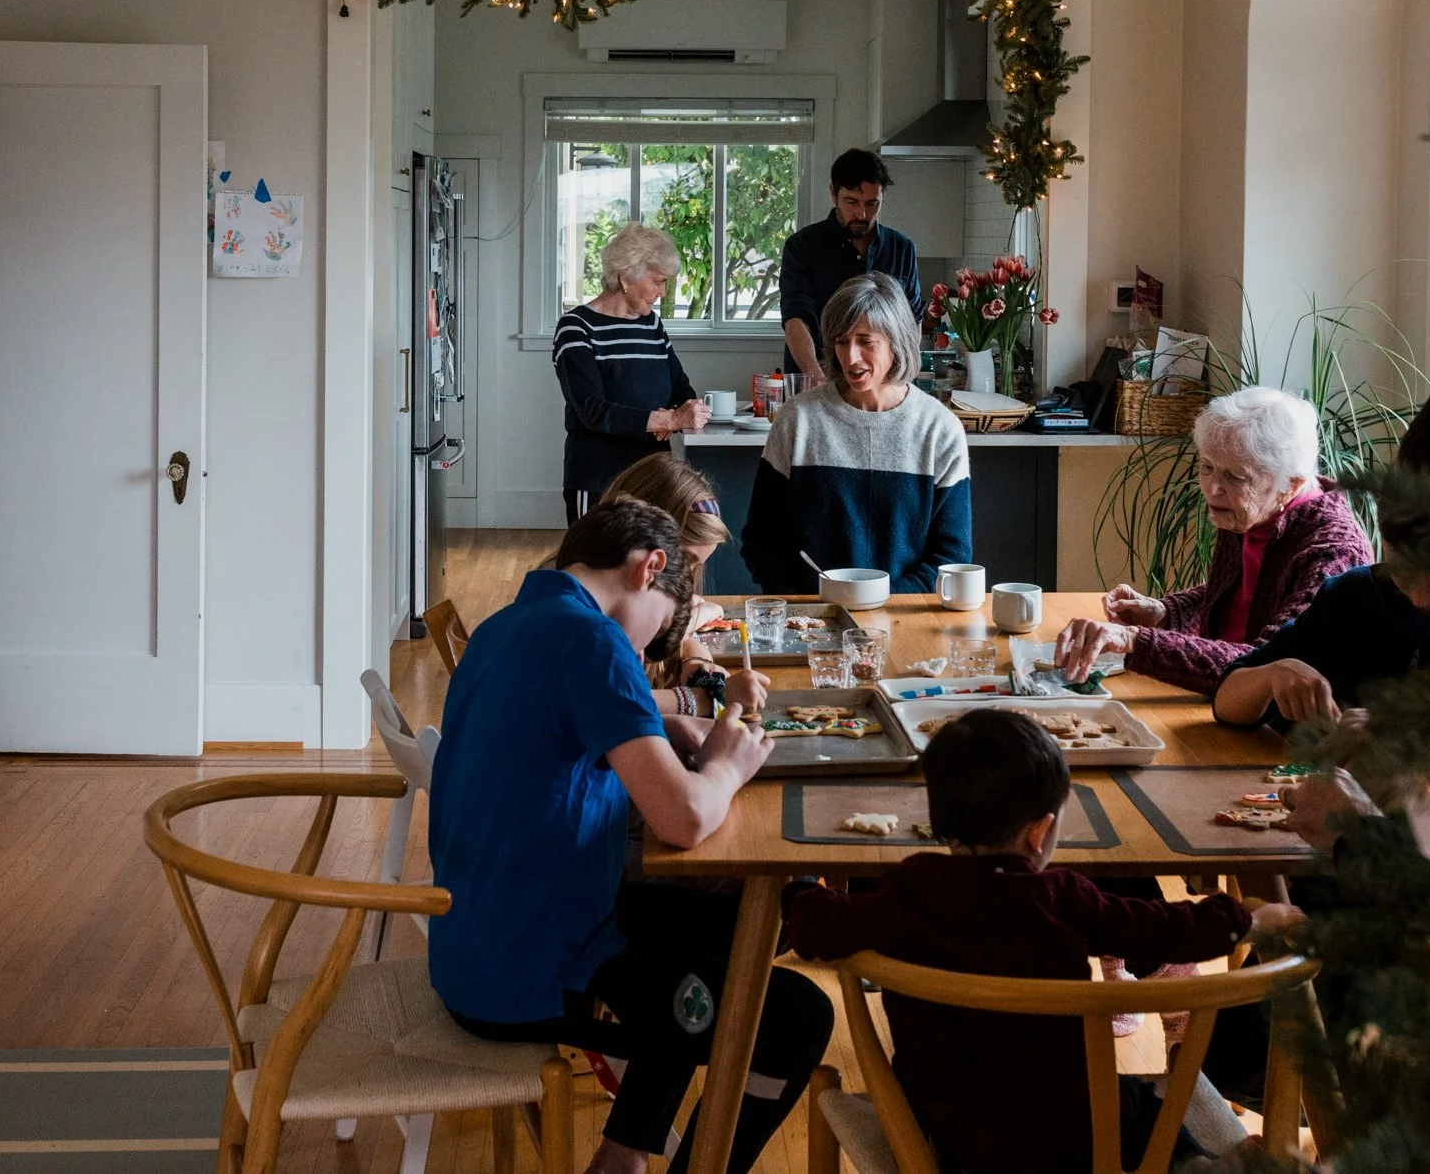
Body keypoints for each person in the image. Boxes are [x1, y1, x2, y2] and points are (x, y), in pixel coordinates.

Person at [430, 500, 833, 1174]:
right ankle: (650, 1160)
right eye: (659, 630)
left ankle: (623, 1153)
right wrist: (729, 766)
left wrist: (658, 726)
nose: (649, 648)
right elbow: (683, 818)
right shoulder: (596, 642)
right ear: (651, 566)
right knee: (796, 1016)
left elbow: (562, 734)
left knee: (743, 925)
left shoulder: (508, 624)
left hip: (474, 934)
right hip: (526, 967)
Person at [787, 708, 1301, 1174]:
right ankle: (1203, 1169)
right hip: (1074, 1134)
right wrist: (1247, 918)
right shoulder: (1062, 897)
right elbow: (1163, 928)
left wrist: (803, 891)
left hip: (953, 1136)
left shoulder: (909, 890)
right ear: (1041, 832)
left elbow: (816, 929)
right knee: (1140, 1105)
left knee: (975, 1100)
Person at [1211, 350, 1430, 729]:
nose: (1421, 597)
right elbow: (1228, 695)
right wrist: (1273, 674)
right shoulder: (1355, 597)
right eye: (1404, 570)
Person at [1057, 386, 1373, 695]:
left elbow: (1264, 668)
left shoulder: (1333, 555)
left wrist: (1132, 639)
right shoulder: (1255, 510)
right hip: (1220, 707)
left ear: (1291, 485)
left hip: (1279, 733)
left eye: (1235, 476)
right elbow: (1240, 594)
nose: (1211, 489)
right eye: (1206, 467)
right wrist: (1164, 613)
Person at [741, 274, 971, 594]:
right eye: (841, 341)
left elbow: (951, 557)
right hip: (811, 623)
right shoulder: (797, 420)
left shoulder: (940, 430)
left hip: (904, 619)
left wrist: (884, 604)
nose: (850, 357)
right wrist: (807, 606)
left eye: (865, 341)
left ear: (897, 342)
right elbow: (761, 541)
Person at [554, 224, 710, 525]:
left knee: (651, 569)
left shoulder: (651, 325)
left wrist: (679, 414)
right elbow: (593, 411)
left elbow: (681, 388)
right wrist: (668, 420)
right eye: (657, 282)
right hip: (600, 479)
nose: (662, 292)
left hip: (654, 476)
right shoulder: (576, 328)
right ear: (626, 276)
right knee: (595, 565)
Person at [597, 454, 766, 720]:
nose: (686, 580)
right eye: (685, 562)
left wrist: (695, 659)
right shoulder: (591, 609)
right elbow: (610, 701)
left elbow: (678, 632)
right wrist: (712, 697)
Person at [779, 149, 921, 382]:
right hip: (817, 376)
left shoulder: (902, 248)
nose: (862, 213)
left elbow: (912, 321)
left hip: (881, 384)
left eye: (872, 203)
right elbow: (796, 319)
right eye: (851, 202)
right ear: (833, 193)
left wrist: (902, 379)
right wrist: (815, 377)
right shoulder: (802, 246)